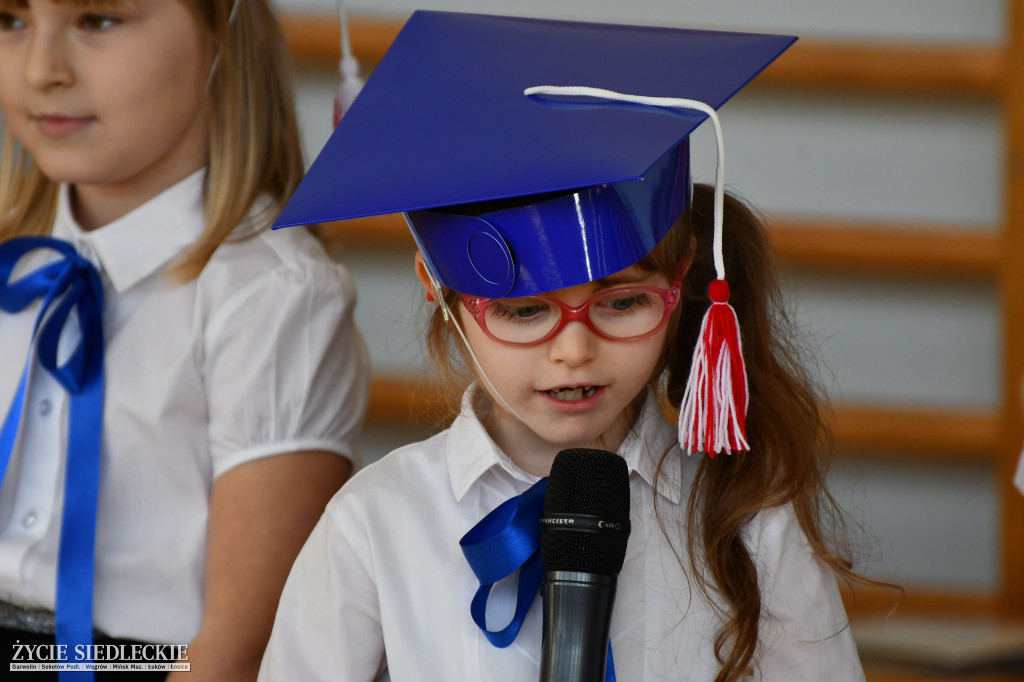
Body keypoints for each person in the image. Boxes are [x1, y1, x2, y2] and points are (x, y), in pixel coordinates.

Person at [260, 10, 872, 682]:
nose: (575, 351)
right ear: (441, 291)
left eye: (622, 303)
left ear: (682, 277)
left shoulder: (745, 521)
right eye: (524, 311)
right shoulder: (377, 524)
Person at [0, 0, 369, 679]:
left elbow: (236, 647)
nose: (40, 68)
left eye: (97, 20)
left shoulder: (272, 297)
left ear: (220, 35)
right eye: (10, 18)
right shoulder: (11, 260)